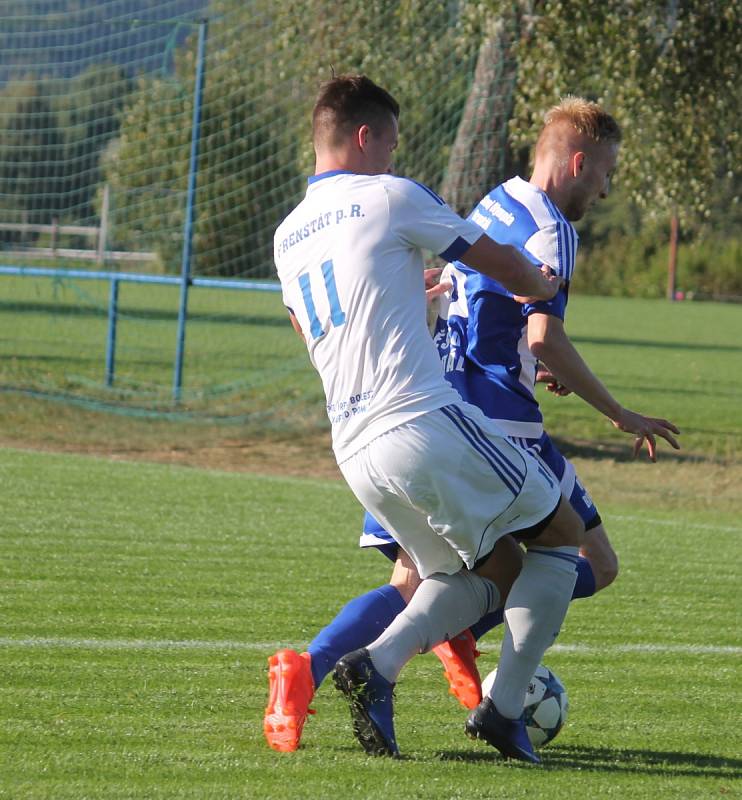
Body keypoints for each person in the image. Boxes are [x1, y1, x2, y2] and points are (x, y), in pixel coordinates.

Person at [265, 94, 680, 755]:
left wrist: (414, 303)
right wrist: (541, 285)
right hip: (426, 421)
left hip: (352, 446)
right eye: (393, 144)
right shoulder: (390, 196)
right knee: (564, 541)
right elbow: (511, 273)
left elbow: (313, 328)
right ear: (366, 137)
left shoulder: (287, 235)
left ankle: (367, 669)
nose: (396, 157)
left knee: (475, 573)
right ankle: (498, 707)